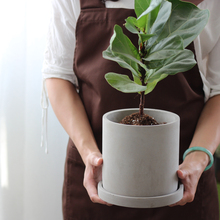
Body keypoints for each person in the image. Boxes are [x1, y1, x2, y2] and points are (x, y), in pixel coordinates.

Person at [42, 0, 220, 219]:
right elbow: (59, 76)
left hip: (181, 179)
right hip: (98, 176)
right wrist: (89, 153)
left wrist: (197, 158)